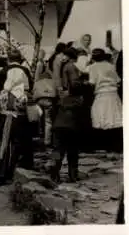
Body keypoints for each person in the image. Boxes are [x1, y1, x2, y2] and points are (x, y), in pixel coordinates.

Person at [49, 47, 85, 183]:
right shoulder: (71, 67)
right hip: (71, 117)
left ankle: (53, 170)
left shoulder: (62, 67)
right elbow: (75, 84)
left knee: (57, 147)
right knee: (73, 148)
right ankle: (72, 174)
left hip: (60, 117)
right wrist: (84, 83)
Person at [87, 48, 123, 152]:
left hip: (101, 94)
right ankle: (114, 146)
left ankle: (103, 145)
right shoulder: (111, 66)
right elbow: (118, 80)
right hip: (113, 94)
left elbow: (92, 82)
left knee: (100, 118)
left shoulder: (92, 67)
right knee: (113, 118)